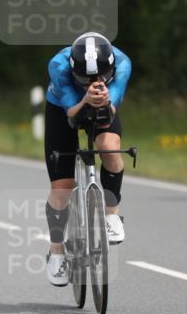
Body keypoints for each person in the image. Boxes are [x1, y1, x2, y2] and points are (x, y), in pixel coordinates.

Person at [43, 31, 132, 286]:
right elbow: (72, 113)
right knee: (61, 188)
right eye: (83, 77)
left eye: (102, 76)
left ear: (111, 68)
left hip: (104, 105)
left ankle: (112, 214)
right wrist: (84, 98)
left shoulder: (123, 63)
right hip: (63, 108)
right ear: (73, 69)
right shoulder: (58, 66)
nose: (92, 81)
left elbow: (111, 109)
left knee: (109, 148)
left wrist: (104, 100)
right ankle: (57, 250)